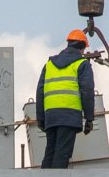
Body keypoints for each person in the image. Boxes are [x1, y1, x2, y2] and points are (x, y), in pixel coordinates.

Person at [35, 29, 95, 169]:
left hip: (51, 116)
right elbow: (87, 92)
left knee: (50, 153)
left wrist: (41, 118)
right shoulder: (82, 64)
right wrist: (89, 118)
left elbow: (40, 91)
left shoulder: (49, 65)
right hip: (69, 115)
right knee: (62, 153)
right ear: (82, 48)